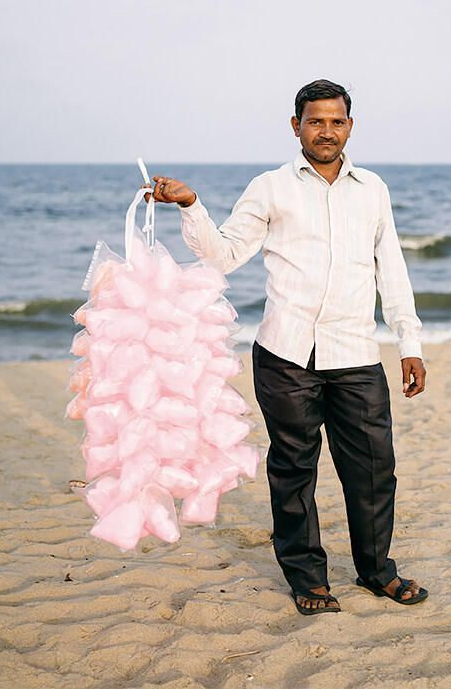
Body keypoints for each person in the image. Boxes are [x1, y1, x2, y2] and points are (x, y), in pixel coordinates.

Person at [144, 79, 428, 614]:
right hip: (285, 354)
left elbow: (392, 269)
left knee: (373, 469)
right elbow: (223, 256)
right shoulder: (271, 187)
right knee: (294, 468)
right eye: (315, 121)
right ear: (296, 125)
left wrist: (408, 341)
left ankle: (376, 572)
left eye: (336, 121)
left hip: (356, 354)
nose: (326, 131)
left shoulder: (373, 190)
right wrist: (191, 205)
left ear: (350, 127)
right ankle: (308, 580)